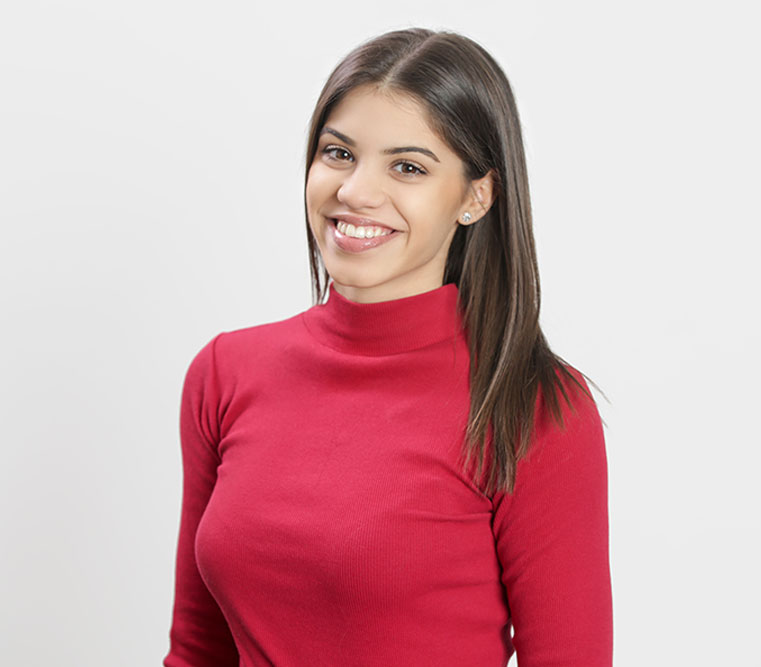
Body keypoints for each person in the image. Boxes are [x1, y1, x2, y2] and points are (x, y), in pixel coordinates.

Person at [164, 27, 613, 667]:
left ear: (476, 196)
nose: (355, 191)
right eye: (338, 154)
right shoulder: (226, 373)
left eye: (407, 167)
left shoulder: (532, 404)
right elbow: (197, 652)